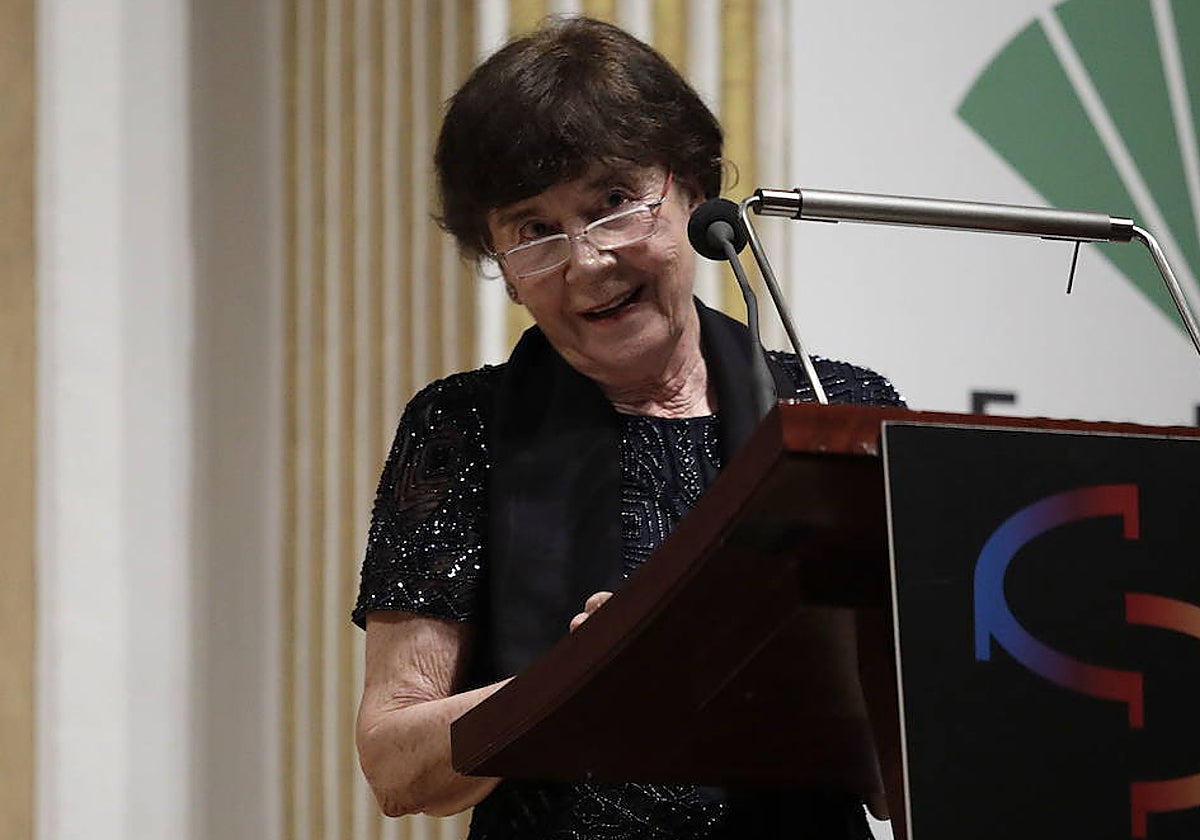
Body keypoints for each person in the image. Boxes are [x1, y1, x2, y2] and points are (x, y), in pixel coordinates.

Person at [352, 16, 902, 839]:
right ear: (504, 269)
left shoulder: (836, 409)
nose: (586, 261)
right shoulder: (462, 426)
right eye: (534, 230)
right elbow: (397, 768)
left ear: (691, 194)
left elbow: (919, 764)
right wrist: (579, 679)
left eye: (612, 203)